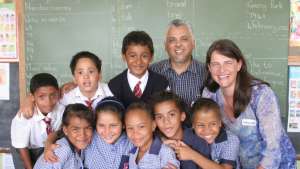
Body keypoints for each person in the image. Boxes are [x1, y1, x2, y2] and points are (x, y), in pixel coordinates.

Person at [202, 39, 296, 169]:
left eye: (228, 62)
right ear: (209, 68)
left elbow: (273, 148)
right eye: (215, 64)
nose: (221, 70)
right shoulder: (210, 95)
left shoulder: (261, 94)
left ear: (239, 64)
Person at [19, 51, 113, 118]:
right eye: (80, 73)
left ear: (99, 75)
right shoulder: (66, 96)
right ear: (74, 78)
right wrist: (29, 100)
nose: (86, 76)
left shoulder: (110, 91)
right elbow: (48, 99)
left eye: (91, 71)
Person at [10, 73, 64, 169]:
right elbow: (22, 147)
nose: (48, 102)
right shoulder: (23, 118)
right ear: (32, 97)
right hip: (26, 150)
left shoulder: (61, 109)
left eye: (53, 95)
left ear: (58, 93)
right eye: (41, 97)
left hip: (47, 146)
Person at [150, 19, 206, 107]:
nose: (178, 44)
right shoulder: (152, 71)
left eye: (184, 39)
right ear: (165, 45)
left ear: (193, 43)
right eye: (172, 40)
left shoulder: (207, 73)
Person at [172, 98, 240, 169]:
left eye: (213, 124)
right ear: (193, 125)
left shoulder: (231, 140)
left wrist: (192, 155)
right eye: (201, 125)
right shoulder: (188, 136)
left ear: (220, 122)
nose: (207, 130)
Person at [108, 30, 169, 107]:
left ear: (151, 57)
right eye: (133, 56)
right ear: (124, 57)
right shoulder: (114, 85)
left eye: (144, 56)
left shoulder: (162, 83)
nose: (138, 62)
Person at [150, 91, 210, 169]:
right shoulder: (154, 143)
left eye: (171, 114)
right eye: (160, 117)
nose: (166, 121)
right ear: (154, 122)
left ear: (182, 116)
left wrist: (192, 154)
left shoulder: (198, 141)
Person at [33, 103, 94, 169]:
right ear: (65, 130)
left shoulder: (81, 148)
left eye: (88, 128)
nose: (82, 134)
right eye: (75, 129)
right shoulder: (63, 149)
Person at [124, 102, 180, 169]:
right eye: (130, 128)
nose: (135, 133)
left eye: (141, 126)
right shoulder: (131, 152)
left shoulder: (165, 152)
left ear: (153, 126)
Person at [84, 96, 134, 169]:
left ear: (123, 124)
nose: (107, 131)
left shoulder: (131, 141)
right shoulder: (89, 138)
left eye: (113, 125)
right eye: (101, 125)